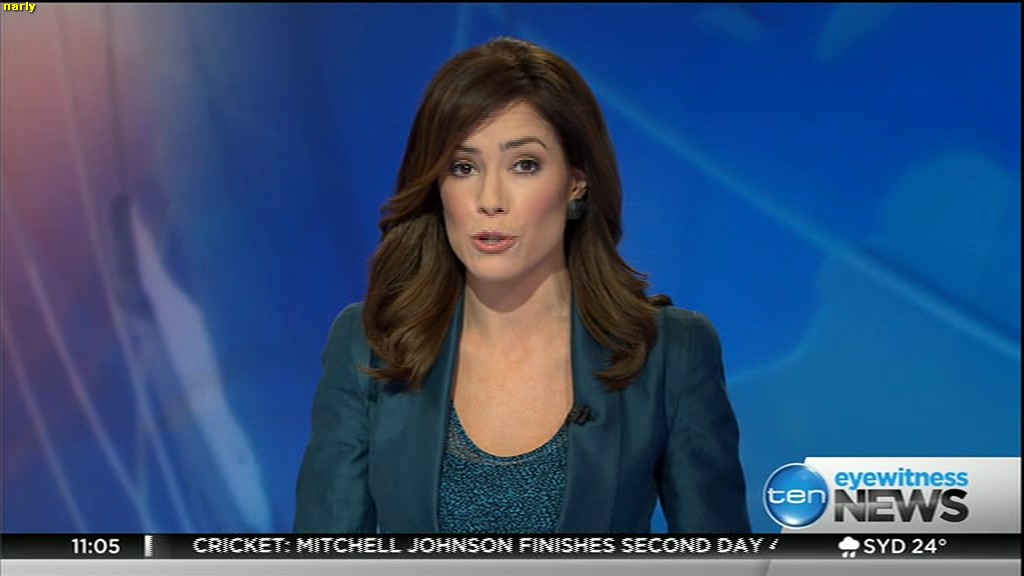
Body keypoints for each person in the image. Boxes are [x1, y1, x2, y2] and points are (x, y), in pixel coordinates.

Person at [294, 37, 750, 534]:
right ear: (437, 186)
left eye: (524, 165)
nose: (490, 199)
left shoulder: (671, 351)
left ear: (576, 183)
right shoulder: (369, 343)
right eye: (463, 168)